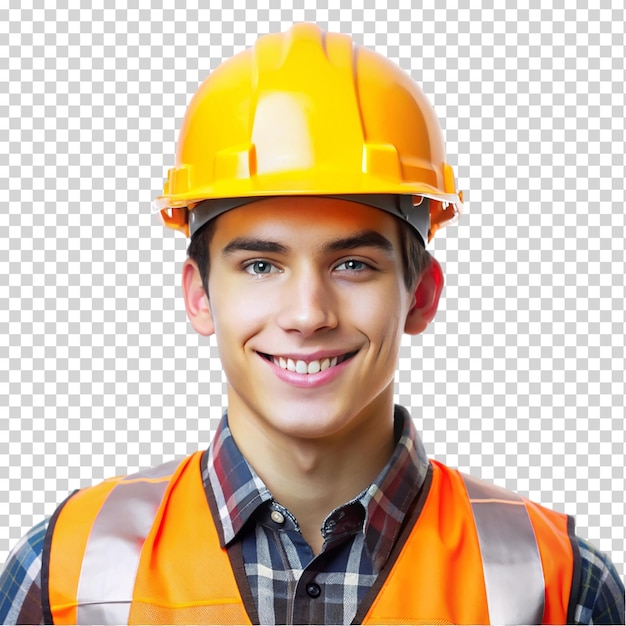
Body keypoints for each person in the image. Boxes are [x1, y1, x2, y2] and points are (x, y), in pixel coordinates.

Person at [1, 23, 623, 626]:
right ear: (198, 296)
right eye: (261, 264)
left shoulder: (556, 582)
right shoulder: (68, 573)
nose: (307, 314)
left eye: (352, 264)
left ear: (422, 296)